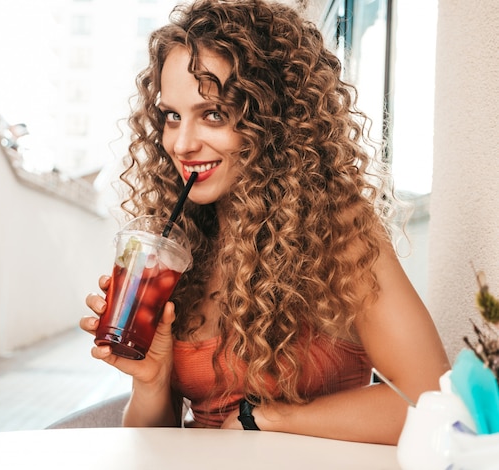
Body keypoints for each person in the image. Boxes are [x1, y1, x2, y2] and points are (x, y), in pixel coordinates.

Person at [80, 0, 449, 445]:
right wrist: (152, 379)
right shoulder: (183, 243)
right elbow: (154, 446)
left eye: (212, 114)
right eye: (172, 116)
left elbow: (432, 404)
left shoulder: (337, 232)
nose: (182, 143)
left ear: (272, 120)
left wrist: (268, 418)